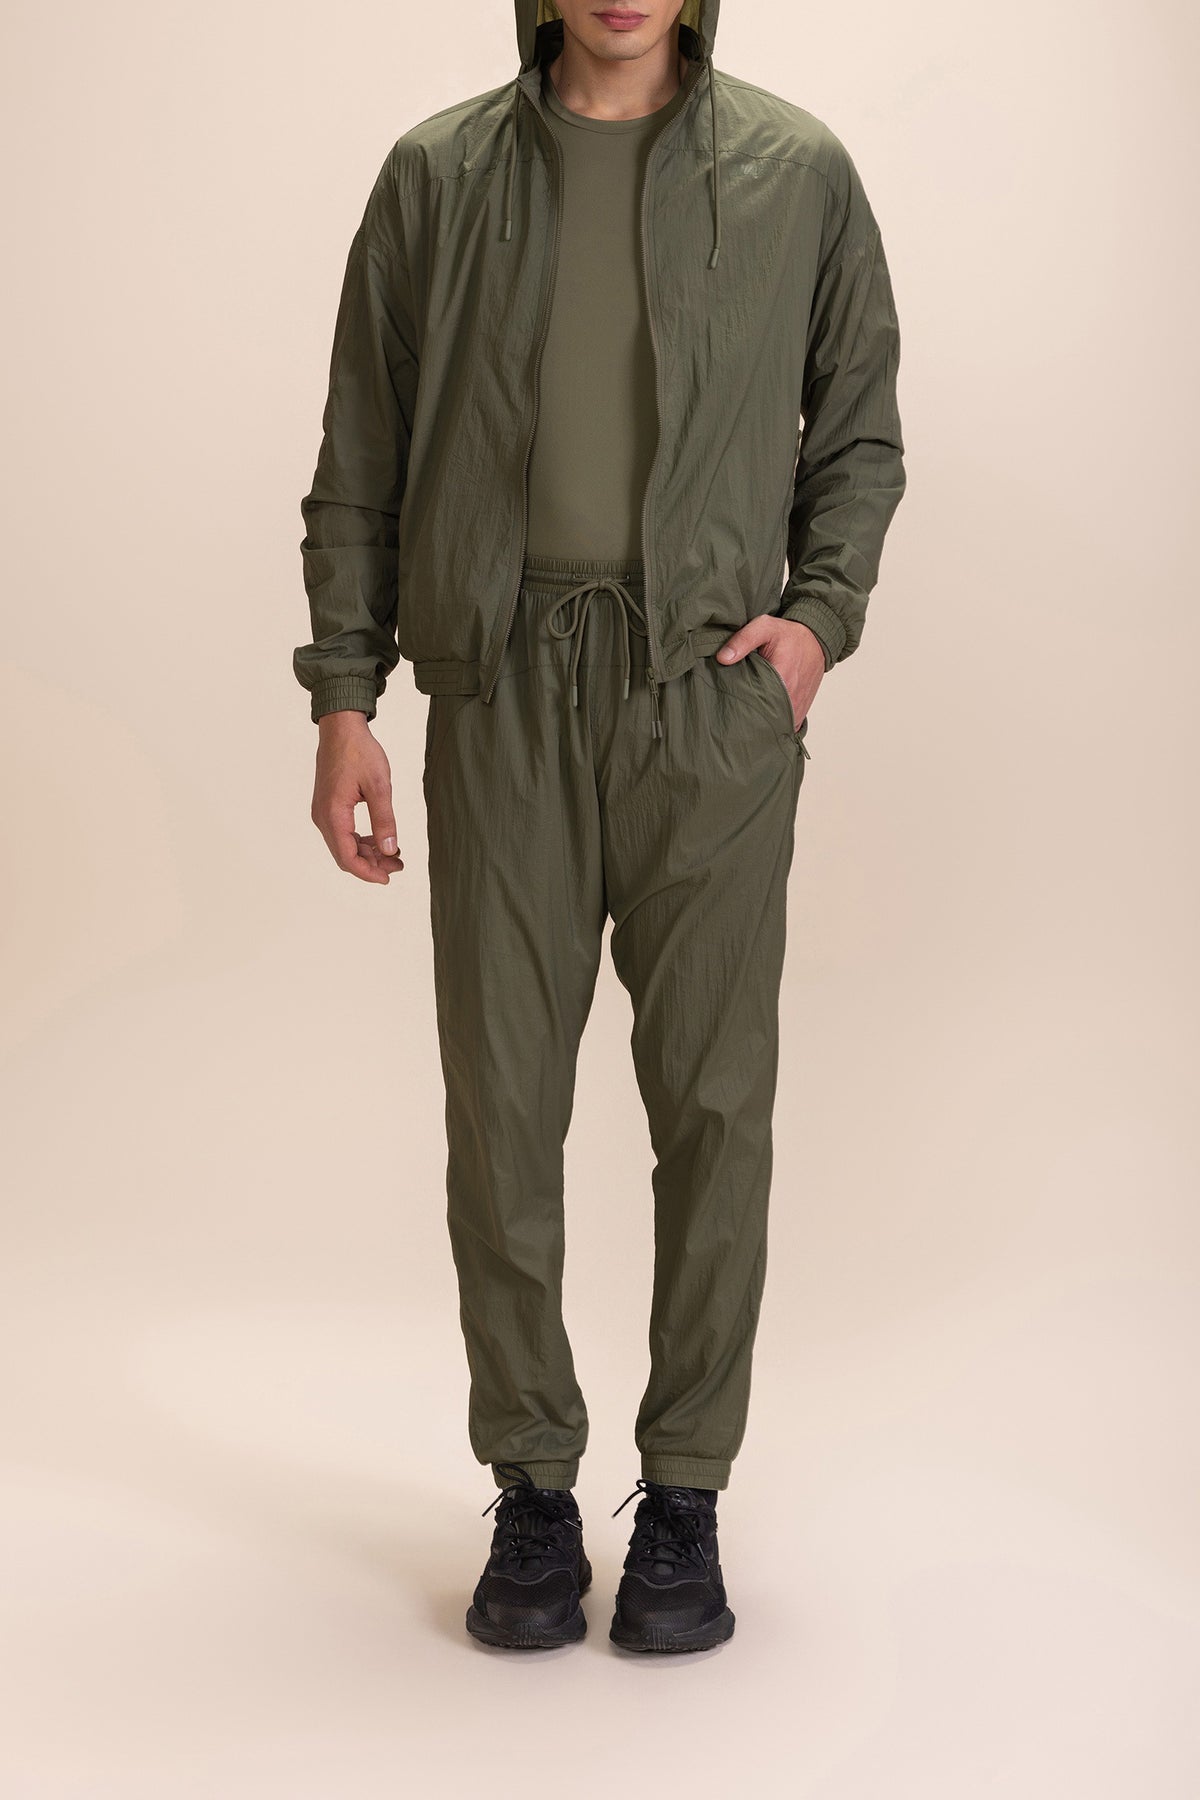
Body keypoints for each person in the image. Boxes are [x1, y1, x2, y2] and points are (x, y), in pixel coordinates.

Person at [294, 0, 905, 1655]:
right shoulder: (437, 178)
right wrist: (345, 695)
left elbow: (857, 430)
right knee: (504, 1109)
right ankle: (534, 1487)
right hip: (500, 689)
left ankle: (686, 1490)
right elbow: (361, 450)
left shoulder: (796, 172)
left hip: (706, 696)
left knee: (713, 1105)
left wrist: (813, 627)